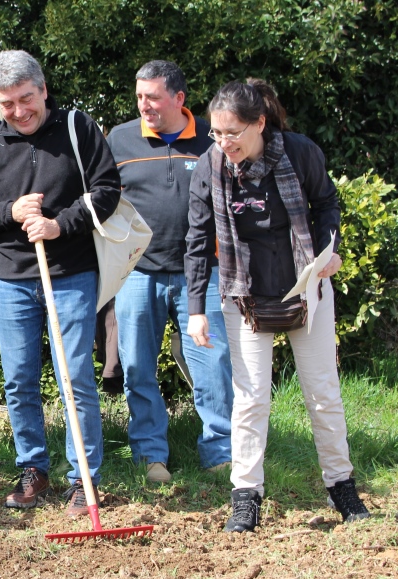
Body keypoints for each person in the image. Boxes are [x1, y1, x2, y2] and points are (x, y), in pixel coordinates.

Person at [185, 79, 370, 532]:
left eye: (233, 133)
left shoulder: (300, 152)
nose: (224, 142)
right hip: (244, 293)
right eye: (216, 133)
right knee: (250, 400)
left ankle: (342, 488)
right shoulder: (209, 165)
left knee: (323, 393)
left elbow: (326, 203)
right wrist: (195, 308)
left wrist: (330, 251)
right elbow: (195, 237)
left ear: (260, 123)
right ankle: (246, 496)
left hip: (305, 286)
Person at [0, 50, 121, 512]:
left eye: (26, 99)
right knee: (19, 380)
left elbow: (107, 190)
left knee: (74, 378)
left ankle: (83, 478)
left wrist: (58, 225)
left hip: (71, 273)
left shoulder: (77, 128)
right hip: (10, 278)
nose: (18, 111)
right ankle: (33, 469)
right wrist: (9, 212)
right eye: (7, 103)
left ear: (43, 90)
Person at [106, 60, 233, 483]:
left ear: (179, 98)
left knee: (213, 366)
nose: (145, 105)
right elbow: (104, 201)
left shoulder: (213, 142)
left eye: (154, 97)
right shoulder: (120, 139)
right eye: (139, 96)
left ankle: (221, 454)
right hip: (138, 274)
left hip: (204, 275)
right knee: (138, 367)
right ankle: (150, 455)